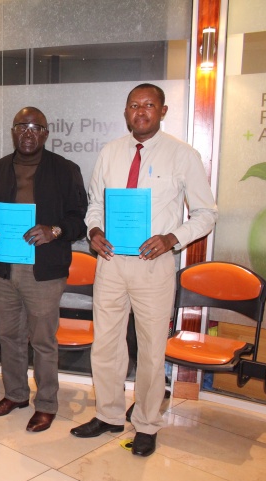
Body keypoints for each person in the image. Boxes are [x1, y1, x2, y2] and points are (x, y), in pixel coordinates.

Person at [70, 83, 218, 456]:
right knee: (105, 344)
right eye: (134, 105)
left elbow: (206, 214)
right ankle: (108, 414)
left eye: (149, 105)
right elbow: (94, 204)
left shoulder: (183, 155)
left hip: (154, 265)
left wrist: (172, 238)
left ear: (163, 111)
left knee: (151, 349)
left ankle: (148, 424)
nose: (141, 111)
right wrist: (94, 231)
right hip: (111, 262)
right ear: (126, 112)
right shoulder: (110, 152)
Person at [0, 107, 87, 432]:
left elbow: (79, 218)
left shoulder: (66, 170)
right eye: (21, 126)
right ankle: (15, 394)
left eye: (35, 127)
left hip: (44, 270)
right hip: (5, 267)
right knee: (10, 336)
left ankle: (46, 404)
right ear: (13, 131)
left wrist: (54, 230)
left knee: (42, 340)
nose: (27, 132)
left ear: (45, 132)